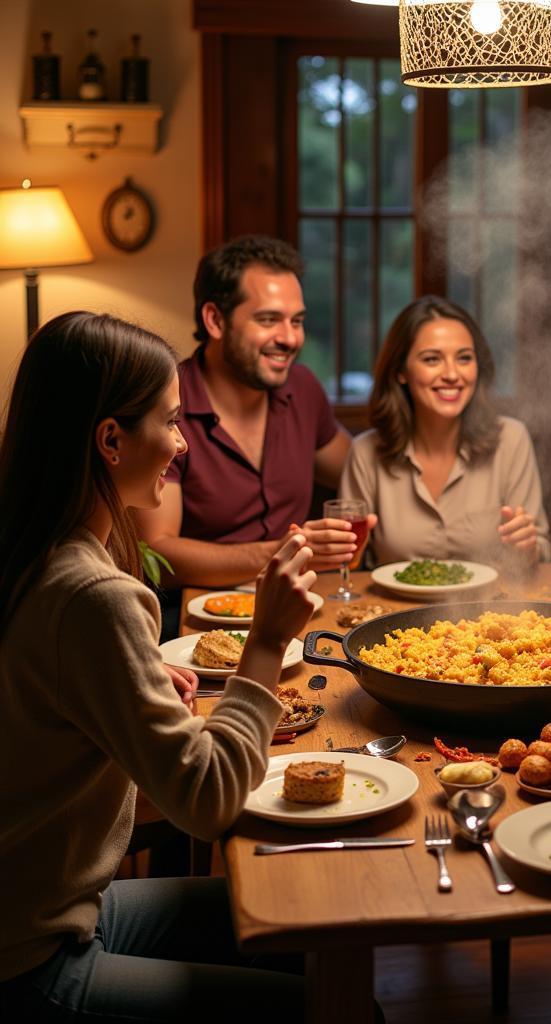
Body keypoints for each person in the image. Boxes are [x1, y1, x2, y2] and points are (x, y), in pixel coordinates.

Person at [0, 312, 322, 1020]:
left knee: (301, 907)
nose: (180, 444)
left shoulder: (34, 554)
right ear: (111, 440)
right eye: (170, 423)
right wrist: (265, 641)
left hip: (54, 909)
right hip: (31, 961)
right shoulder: (91, 593)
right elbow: (208, 804)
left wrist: (133, 686)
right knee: (339, 1007)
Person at [135, 235, 363, 599]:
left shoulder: (303, 389)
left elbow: (364, 471)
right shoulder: (165, 403)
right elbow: (157, 553)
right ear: (214, 320)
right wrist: (281, 551)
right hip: (197, 619)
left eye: (297, 320)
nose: (290, 338)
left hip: (303, 602)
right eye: (269, 319)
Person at [340, 295, 551, 568]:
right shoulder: (365, 452)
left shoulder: (511, 440)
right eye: (432, 359)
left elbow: (542, 552)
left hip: (491, 607)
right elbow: (350, 564)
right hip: (396, 608)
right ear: (400, 372)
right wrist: (337, 551)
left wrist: (528, 546)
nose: (452, 374)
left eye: (464, 358)